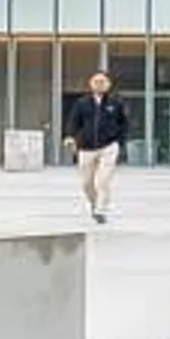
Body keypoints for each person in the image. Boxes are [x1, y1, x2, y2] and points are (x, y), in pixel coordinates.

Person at [61, 69, 130, 224]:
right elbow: (73, 122)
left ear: (108, 84)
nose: (99, 84)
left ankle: (101, 210)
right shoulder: (82, 103)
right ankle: (94, 204)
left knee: (102, 181)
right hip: (86, 147)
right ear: (90, 84)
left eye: (102, 82)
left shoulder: (115, 103)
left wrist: (120, 142)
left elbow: (124, 124)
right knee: (86, 183)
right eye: (96, 81)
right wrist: (70, 137)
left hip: (108, 146)